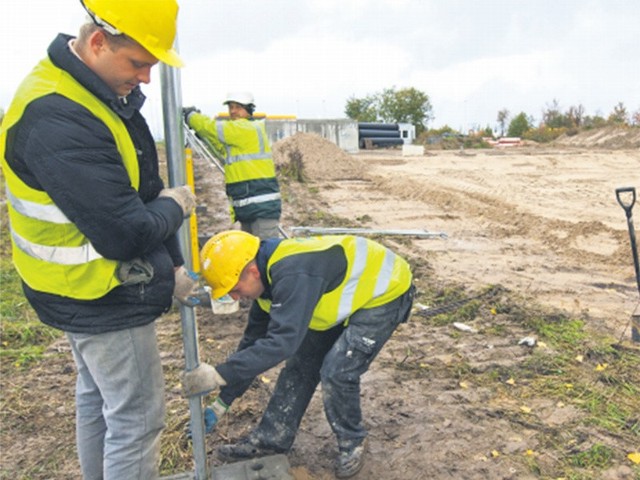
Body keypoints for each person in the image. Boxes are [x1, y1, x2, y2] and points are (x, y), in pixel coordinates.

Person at [0, 1, 198, 478]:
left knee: (99, 398)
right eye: (138, 63)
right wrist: (177, 205)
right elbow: (124, 231)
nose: (147, 78)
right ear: (96, 43)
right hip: (101, 291)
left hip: (76, 287)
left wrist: (171, 264)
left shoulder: (92, 92)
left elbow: (138, 186)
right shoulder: (59, 117)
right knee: (137, 418)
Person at [182, 230, 415, 478]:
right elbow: (252, 346)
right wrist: (221, 403)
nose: (235, 297)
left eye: (234, 288)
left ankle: (352, 442)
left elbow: (282, 344)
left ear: (252, 271)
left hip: (384, 290)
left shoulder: (293, 275)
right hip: (343, 291)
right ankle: (271, 439)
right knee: (301, 365)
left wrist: (219, 373)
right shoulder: (265, 282)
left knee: (337, 370)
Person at [183, 93, 282, 240]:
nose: (233, 111)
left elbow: (213, 128)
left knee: (266, 253)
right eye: (230, 107)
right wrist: (203, 134)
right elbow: (220, 147)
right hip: (248, 205)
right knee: (249, 254)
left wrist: (192, 117)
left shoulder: (247, 128)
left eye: (238, 107)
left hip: (261, 206)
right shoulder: (238, 136)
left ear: (248, 110)